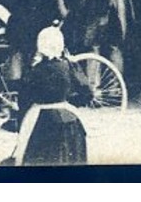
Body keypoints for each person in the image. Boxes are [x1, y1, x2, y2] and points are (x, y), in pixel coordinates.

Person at [9, 25, 89, 167]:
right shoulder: (70, 66)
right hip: (70, 120)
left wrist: (21, 122)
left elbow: (25, 100)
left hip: (41, 121)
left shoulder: (35, 70)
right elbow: (87, 93)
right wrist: (69, 103)